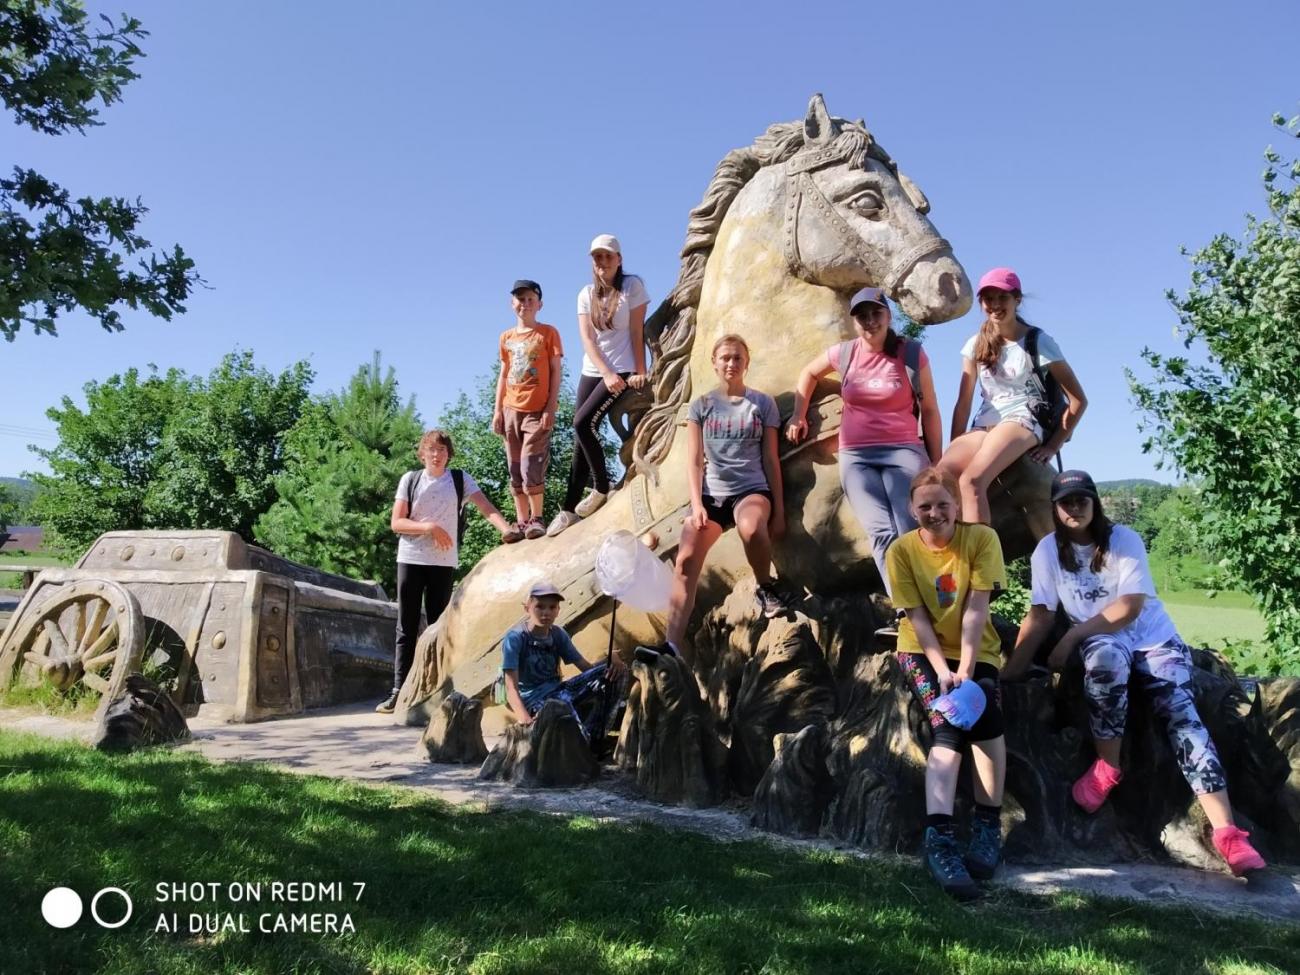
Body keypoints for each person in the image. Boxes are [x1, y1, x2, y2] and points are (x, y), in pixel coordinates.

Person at [1002, 470, 1267, 876]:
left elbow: (1129, 608)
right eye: (1065, 502)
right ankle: (1108, 766)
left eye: (1081, 500)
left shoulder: (1123, 540)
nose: (1074, 508)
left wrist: (1071, 637)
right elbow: (1040, 612)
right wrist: (1010, 673)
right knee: (1104, 663)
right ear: (1054, 508)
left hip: (1152, 639)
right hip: (1106, 643)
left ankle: (1228, 833)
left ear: (1095, 502)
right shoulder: (1047, 552)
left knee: (1183, 715)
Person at [886, 467, 1007, 900]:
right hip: (922, 649)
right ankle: (939, 838)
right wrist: (942, 669)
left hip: (977, 650)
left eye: (942, 504)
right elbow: (916, 617)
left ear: (957, 505)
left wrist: (968, 668)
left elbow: (977, 608)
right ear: (911, 509)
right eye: (925, 506)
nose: (934, 513)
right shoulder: (900, 552)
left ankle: (988, 826)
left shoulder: (981, 540)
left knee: (987, 720)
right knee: (949, 722)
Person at [786, 286, 942, 602]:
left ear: (888, 315)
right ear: (854, 321)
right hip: (857, 455)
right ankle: (907, 608)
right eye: (862, 316)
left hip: (903, 449)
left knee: (910, 524)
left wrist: (936, 466)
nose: (870, 321)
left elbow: (930, 410)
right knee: (881, 532)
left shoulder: (910, 354)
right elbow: (809, 372)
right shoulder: (845, 353)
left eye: (876, 313)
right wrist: (798, 415)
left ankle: (940, 600)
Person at [644, 334, 788, 663]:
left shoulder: (762, 404)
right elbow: (694, 461)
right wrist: (696, 507)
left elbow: (770, 459)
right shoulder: (701, 406)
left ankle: (765, 587)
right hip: (711, 495)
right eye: (725, 357)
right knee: (685, 561)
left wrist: (778, 509)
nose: (731, 364)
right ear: (714, 362)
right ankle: (673, 644)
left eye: (737, 358)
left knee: (751, 528)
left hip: (750, 489)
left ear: (746, 363)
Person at [378, 429, 514, 714]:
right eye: (431, 450)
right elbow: (397, 522)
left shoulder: (459, 480)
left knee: (441, 627)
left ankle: (438, 690)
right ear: (422, 454)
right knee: (407, 626)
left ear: (448, 454)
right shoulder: (410, 480)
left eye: (442, 450)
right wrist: (429, 527)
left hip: (442, 562)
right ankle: (398, 691)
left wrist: (507, 531)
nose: (437, 455)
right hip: (412, 558)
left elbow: (485, 507)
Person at [939, 267, 1087, 524]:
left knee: (972, 480)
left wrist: (1054, 445)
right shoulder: (975, 344)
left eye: (1002, 297)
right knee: (941, 477)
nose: (995, 305)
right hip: (984, 422)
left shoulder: (1037, 341)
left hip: (1022, 418)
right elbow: (963, 403)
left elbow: (1078, 400)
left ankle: (980, 560)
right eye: (988, 299)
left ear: (1017, 300)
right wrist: (955, 445)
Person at [547, 234, 651, 536]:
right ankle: (568, 510)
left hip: (623, 368)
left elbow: (636, 330)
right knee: (579, 435)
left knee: (582, 424)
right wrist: (604, 372)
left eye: (607, 256)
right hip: (594, 370)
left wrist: (640, 370)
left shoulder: (632, 286)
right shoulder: (585, 293)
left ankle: (601, 485)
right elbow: (588, 339)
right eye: (596, 257)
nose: (602, 262)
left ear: (618, 259)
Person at [501, 579, 625, 741]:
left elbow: (586, 668)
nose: (546, 613)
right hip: (536, 701)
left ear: (558, 610)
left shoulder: (558, 634)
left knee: (616, 672)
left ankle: (596, 735)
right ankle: (583, 740)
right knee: (575, 735)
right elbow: (511, 689)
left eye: (552, 607)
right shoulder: (516, 638)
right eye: (540, 606)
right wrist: (525, 719)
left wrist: (612, 659)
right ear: (528, 608)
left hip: (561, 691)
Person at [492, 279, 563, 543]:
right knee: (514, 466)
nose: (525, 303)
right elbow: (503, 374)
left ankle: (537, 517)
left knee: (531, 463)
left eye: (530, 299)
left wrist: (550, 408)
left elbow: (556, 371)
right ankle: (521, 521)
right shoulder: (506, 338)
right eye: (520, 299)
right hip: (511, 408)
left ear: (539, 304)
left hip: (537, 409)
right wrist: (497, 411)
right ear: (513, 304)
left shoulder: (548, 333)